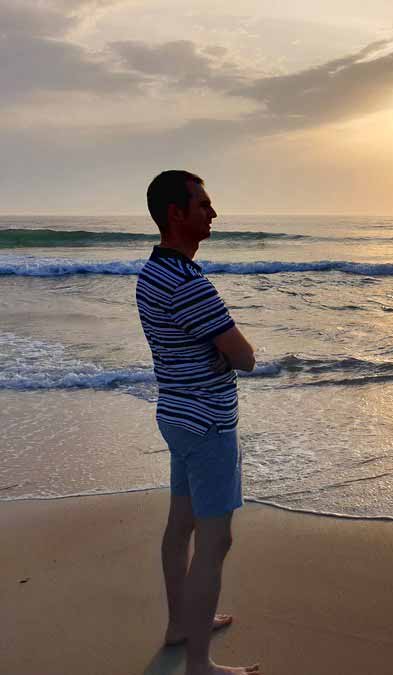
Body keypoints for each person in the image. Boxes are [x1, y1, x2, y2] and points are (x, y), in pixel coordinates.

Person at [136, 170, 261, 675]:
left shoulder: (152, 272)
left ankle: (181, 625)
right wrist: (237, 349)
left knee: (180, 526)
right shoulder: (188, 284)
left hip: (177, 415)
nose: (213, 213)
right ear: (177, 214)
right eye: (204, 204)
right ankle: (198, 665)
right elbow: (244, 357)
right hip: (207, 422)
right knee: (215, 539)